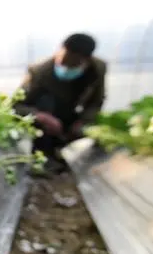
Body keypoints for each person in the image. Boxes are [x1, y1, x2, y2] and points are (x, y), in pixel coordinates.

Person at [14, 33, 107, 172]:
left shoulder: (97, 68)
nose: (66, 67)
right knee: (46, 102)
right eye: (64, 61)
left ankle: (63, 151)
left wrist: (83, 121)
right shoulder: (39, 71)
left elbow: (96, 102)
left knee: (93, 132)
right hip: (41, 121)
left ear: (86, 60)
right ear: (60, 50)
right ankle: (44, 155)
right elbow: (16, 106)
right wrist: (40, 116)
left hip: (69, 115)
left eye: (74, 64)